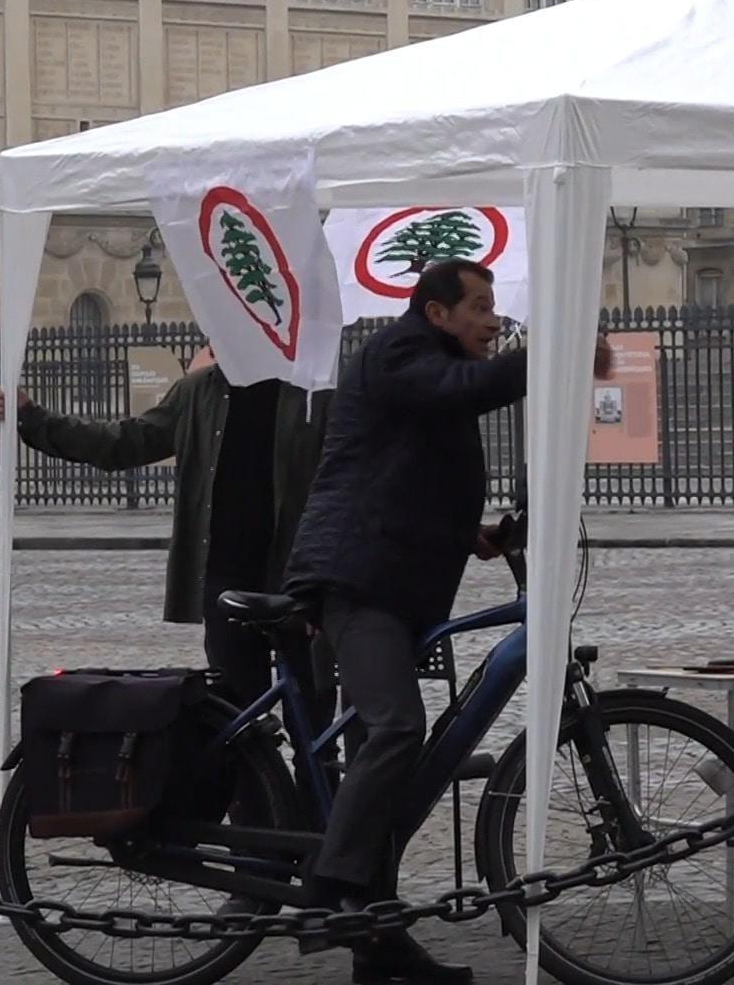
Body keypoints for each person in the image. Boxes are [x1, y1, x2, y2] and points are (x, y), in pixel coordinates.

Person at [282, 259, 529, 985]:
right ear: (436, 312)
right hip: (359, 581)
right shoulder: (401, 353)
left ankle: (379, 947)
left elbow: (403, 471)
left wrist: (471, 532)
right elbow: (460, 391)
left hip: (392, 575)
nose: (492, 320)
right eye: (479, 307)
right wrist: (550, 356)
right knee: (394, 729)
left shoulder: (425, 363)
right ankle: (329, 891)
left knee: (381, 769)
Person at [0, 347, 336, 733]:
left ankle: (320, 790)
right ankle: (251, 794)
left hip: (298, 578)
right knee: (239, 719)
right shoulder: (197, 393)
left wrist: (327, 578)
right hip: (225, 581)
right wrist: (35, 419)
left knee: (314, 714)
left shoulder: (315, 392)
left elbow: (342, 486)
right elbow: (123, 441)